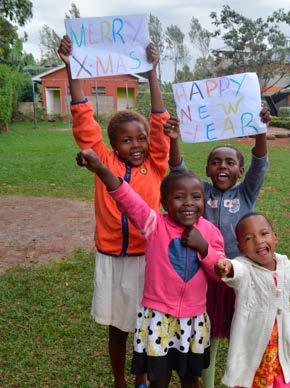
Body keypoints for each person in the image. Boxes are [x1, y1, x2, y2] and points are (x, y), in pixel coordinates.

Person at [58, 36, 173, 388]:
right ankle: (119, 380)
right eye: (126, 140)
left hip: (145, 258)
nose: (136, 145)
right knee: (116, 326)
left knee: (143, 322)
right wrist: (70, 66)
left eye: (140, 138)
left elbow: (159, 122)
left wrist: (152, 72)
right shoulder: (102, 162)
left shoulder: (154, 166)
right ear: (112, 145)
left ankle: (140, 377)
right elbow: (83, 119)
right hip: (110, 258)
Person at [76, 149, 226, 388]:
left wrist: (204, 248)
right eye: (179, 197)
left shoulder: (209, 232)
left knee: (190, 378)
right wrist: (100, 168)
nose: (189, 203)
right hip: (158, 318)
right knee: (158, 378)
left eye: (196, 197)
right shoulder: (154, 224)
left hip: (194, 319)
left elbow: (219, 272)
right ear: (164, 202)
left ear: (203, 201)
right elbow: (127, 197)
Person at [167, 109, 271, 388]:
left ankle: (242, 379)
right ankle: (207, 381)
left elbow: (260, 163)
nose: (222, 167)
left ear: (240, 169)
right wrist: (174, 139)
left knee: (241, 330)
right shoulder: (200, 190)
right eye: (215, 162)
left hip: (240, 276)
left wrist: (260, 129)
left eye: (229, 162)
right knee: (207, 333)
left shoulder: (246, 192)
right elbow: (177, 170)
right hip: (206, 276)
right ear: (206, 169)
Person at [215, 212, 290, 388]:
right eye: (249, 238)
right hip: (252, 345)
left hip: (278, 346)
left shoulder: (286, 266)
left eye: (264, 233)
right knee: (252, 377)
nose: (259, 241)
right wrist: (228, 267)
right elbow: (237, 271)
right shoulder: (245, 267)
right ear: (241, 248)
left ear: (275, 237)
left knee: (278, 374)